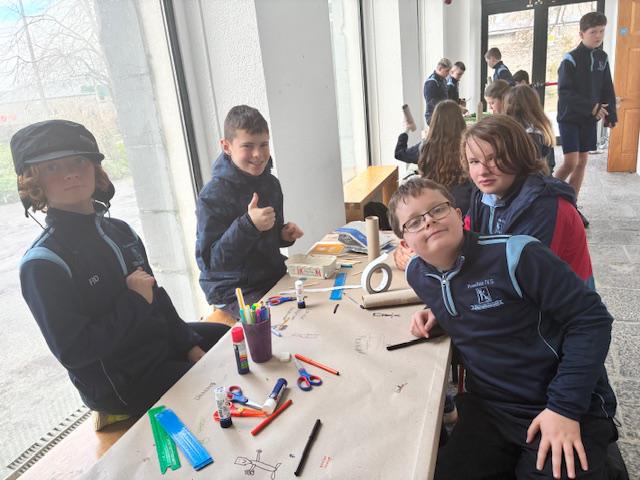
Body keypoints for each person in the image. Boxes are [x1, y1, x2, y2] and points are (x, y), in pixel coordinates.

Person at [388, 176, 617, 480]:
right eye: (415, 222)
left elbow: (592, 319)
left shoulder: (517, 256)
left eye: (437, 209)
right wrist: (439, 315)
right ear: (406, 244)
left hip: (559, 399)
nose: (429, 221)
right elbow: (466, 298)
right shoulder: (418, 275)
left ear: (458, 214)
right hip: (492, 407)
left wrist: (564, 408)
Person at [13, 120, 229, 430]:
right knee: (215, 382)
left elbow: (156, 297)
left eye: (78, 161)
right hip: (122, 380)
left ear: (95, 169)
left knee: (229, 339)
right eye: (52, 167)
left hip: (156, 347)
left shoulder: (121, 232)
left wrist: (188, 345)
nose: (70, 173)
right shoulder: (43, 263)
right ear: (34, 183)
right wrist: (133, 301)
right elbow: (75, 351)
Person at [196, 105, 303, 319]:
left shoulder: (271, 184)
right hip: (232, 289)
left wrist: (283, 235)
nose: (258, 154)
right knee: (282, 323)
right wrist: (248, 225)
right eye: (247, 146)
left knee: (315, 302)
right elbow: (211, 263)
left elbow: (268, 239)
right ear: (226, 146)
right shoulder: (212, 195)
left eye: (264, 144)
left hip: (269, 276)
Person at [463, 115, 594, 288]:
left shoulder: (547, 207)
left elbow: (524, 282)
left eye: (493, 159)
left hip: (563, 301)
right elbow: (464, 246)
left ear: (519, 155)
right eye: (474, 161)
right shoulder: (484, 197)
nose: (482, 171)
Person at [393, 100, 472, 271]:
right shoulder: (467, 147)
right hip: (462, 211)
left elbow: (399, 153)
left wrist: (406, 129)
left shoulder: (425, 147)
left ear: (434, 121)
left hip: (431, 209)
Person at [554, 12, 616, 220]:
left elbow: (607, 87)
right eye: (593, 32)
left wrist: (611, 114)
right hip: (569, 117)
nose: (598, 36)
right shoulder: (570, 59)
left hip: (589, 119)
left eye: (601, 31)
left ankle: (571, 206)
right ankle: (545, 196)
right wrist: (592, 107)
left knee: (582, 162)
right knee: (570, 162)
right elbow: (565, 92)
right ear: (581, 34)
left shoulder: (602, 58)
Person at [504, 84, 556, 174]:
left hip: (531, 179)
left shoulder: (530, 134)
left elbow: (528, 168)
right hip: (543, 177)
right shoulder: (542, 125)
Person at [424, 58, 452, 125]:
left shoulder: (443, 80)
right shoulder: (431, 83)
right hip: (434, 117)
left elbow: (446, 98)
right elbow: (433, 104)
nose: (448, 74)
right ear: (440, 68)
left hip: (443, 115)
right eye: (447, 71)